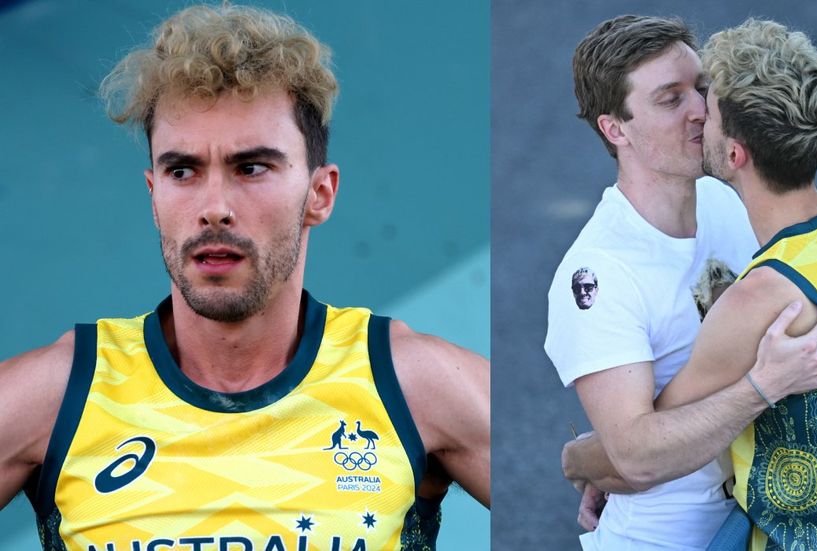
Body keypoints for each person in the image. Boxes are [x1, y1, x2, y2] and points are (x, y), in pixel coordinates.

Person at [0, 5, 489, 550]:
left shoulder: (413, 383)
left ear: (319, 194)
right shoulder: (60, 393)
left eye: (251, 167)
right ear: (153, 194)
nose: (213, 207)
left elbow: (589, 478)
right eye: (182, 170)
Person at [570, 17, 817, 550]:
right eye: (676, 99)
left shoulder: (760, 302)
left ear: (735, 154)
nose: (697, 114)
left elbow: (635, 456)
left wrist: (576, 459)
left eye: (707, 101)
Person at [546, 15, 817, 550]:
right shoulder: (598, 274)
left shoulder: (729, 199)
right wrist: (763, 388)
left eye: (702, 88)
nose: (702, 111)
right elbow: (635, 455)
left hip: (755, 518)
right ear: (616, 129)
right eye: (670, 99)